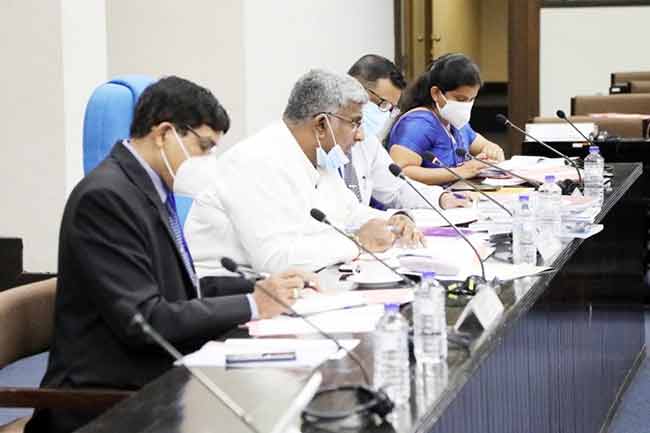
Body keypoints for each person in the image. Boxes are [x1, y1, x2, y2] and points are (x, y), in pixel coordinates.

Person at [25, 77, 314, 433]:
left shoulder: (149, 187)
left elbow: (180, 288)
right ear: (164, 134)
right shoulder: (105, 197)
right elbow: (145, 320)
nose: (208, 160)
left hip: (151, 375)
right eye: (204, 147)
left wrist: (263, 288)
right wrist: (252, 305)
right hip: (103, 398)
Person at [184, 69, 423, 278]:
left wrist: (394, 221)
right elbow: (274, 260)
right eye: (355, 123)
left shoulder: (317, 159)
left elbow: (350, 212)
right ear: (321, 124)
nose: (360, 136)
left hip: (289, 286)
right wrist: (358, 242)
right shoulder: (256, 160)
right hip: (230, 294)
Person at [347, 54, 472, 209]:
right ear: (354, 88)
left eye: (390, 108)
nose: (384, 113)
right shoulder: (326, 144)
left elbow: (397, 189)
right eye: (382, 103)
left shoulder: (368, 143)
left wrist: (441, 198)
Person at [388, 53, 505, 186]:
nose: (465, 105)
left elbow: (484, 145)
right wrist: (460, 172)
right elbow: (402, 171)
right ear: (436, 93)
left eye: (471, 99)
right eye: (460, 99)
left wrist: (493, 151)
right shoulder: (418, 124)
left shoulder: (455, 122)